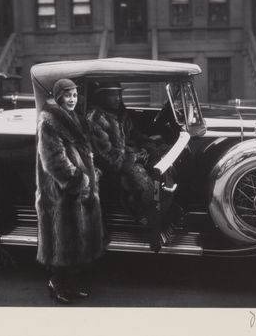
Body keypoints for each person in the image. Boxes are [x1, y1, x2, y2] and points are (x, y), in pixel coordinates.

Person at [35, 78, 105, 304]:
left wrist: (92, 172)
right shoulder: (49, 122)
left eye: (74, 95)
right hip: (60, 191)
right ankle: (57, 284)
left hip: (78, 189)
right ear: (58, 97)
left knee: (76, 242)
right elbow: (54, 161)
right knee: (61, 242)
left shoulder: (75, 118)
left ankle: (69, 285)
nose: (72, 100)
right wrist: (80, 180)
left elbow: (83, 151)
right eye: (68, 95)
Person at [86, 82, 164, 252]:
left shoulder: (121, 113)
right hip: (106, 167)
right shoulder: (95, 118)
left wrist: (147, 147)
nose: (118, 98)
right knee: (142, 182)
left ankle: (160, 219)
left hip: (127, 157)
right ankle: (146, 222)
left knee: (162, 166)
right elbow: (106, 155)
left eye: (119, 94)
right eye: (113, 94)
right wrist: (134, 158)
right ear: (102, 96)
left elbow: (134, 134)